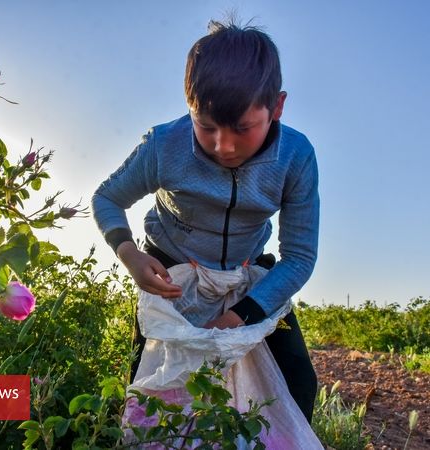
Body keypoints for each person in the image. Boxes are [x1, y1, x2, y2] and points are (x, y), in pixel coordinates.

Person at [91, 19, 319, 423]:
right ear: (190, 108)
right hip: (172, 275)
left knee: (297, 380)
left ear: (277, 107)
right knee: (150, 386)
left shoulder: (295, 157)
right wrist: (129, 254)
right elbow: (107, 197)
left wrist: (241, 316)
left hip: (249, 272)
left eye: (242, 128)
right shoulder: (164, 145)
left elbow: (299, 256)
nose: (222, 146)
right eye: (206, 126)